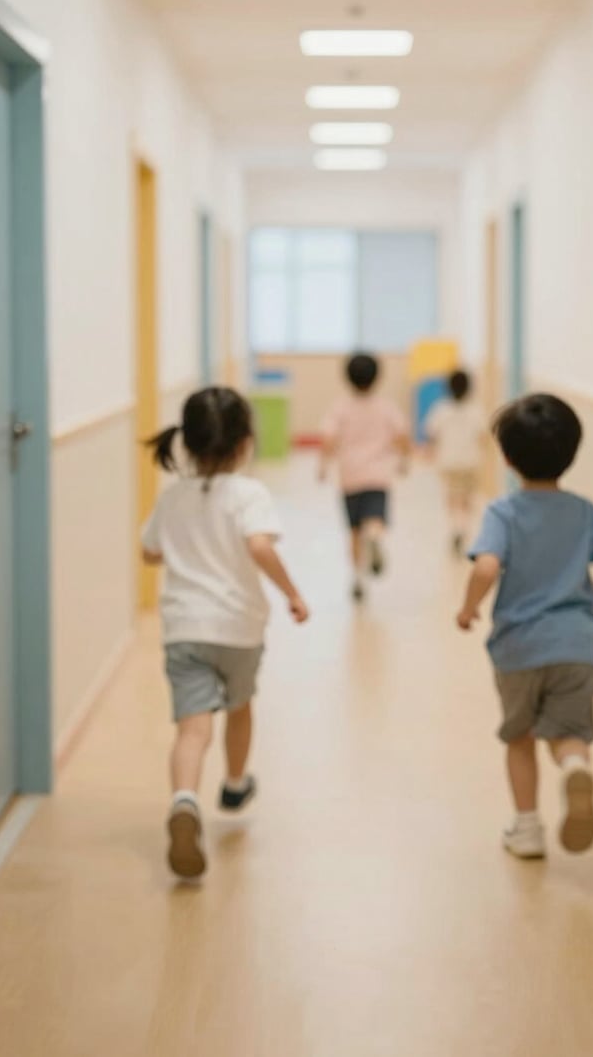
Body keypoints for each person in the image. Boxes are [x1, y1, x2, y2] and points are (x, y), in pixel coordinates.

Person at [141, 386, 309, 880]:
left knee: (192, 729)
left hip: (184, 629)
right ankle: (235, 782)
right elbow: (259, 547)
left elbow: (149, 552)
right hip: (238, 629)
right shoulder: (249, 494)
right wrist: (292, 592)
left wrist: (177, 547)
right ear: (243, 444)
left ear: (187, 445)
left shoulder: (172, 497)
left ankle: (185, 800)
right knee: (239, 707)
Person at [456, 394, 593, 860]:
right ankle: (574, 766)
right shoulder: (583, 511)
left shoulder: (503, 513)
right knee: (569, 732)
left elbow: (487, 568)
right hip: (575, 646)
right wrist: (587, 600)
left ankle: (527, 828)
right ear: (572, 452)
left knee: (520, 735)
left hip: (518, 647)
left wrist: (468, 608)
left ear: (508, 458)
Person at [320, 353, 410, 602]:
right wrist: (404, 460)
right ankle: (375, 537)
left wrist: (323, 466)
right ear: (377, 378)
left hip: (350, 476)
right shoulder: (386, 407)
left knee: (353, 530)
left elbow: (328, 438)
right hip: (379, 475)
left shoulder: (340, 407)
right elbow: (402, 435)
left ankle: (358, 578)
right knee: (375, 519)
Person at [424, 369, 486, 554]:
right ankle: (464, 528)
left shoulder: (441, 409)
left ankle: (455, 527)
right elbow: (483, 436)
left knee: (452, 499)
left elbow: (431, 434)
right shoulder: (476, 410)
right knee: (467, 499)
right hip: (471, 460)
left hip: (448, 460)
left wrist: (430, 453)